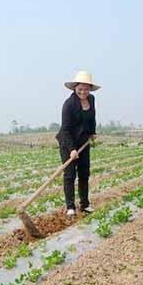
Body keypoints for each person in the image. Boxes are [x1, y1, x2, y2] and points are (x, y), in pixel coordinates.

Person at [55, 71, 100, 216]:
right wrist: (72, 149)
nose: (83, 92)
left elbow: (92, 117)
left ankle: (85, 205)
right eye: (80, 89)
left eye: (86, 89)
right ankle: (70, 207)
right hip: (68, 142)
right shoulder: (69, 105)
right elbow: (66, 129)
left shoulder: (91, 99)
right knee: (69, 175)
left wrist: (92, 132)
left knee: (84, 173)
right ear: (75, 88)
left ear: (90, 89)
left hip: (83, 141)